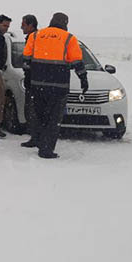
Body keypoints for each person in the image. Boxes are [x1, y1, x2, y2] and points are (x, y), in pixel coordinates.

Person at [22, 12, 88, 159]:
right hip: (59, 87)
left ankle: (38, 140)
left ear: (51, 21)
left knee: (39, 115)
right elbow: (77, 62)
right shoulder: (69, 38)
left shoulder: (35, 36)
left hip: (37, 85)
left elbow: (26, 59)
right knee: (53, 119)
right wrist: (83, 79)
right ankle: (46, 149)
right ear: (65, 23)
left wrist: (28, 78)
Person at [19, 14, 39, 148]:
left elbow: (31, 59)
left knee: (32, 111)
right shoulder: (33, 37)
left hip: (33, 81)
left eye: (24, 24)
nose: (21, 27)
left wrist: (27, 67)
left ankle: (35, 138)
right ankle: (36, 137)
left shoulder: (34, 38)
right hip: (35, 80)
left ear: (31, 25)